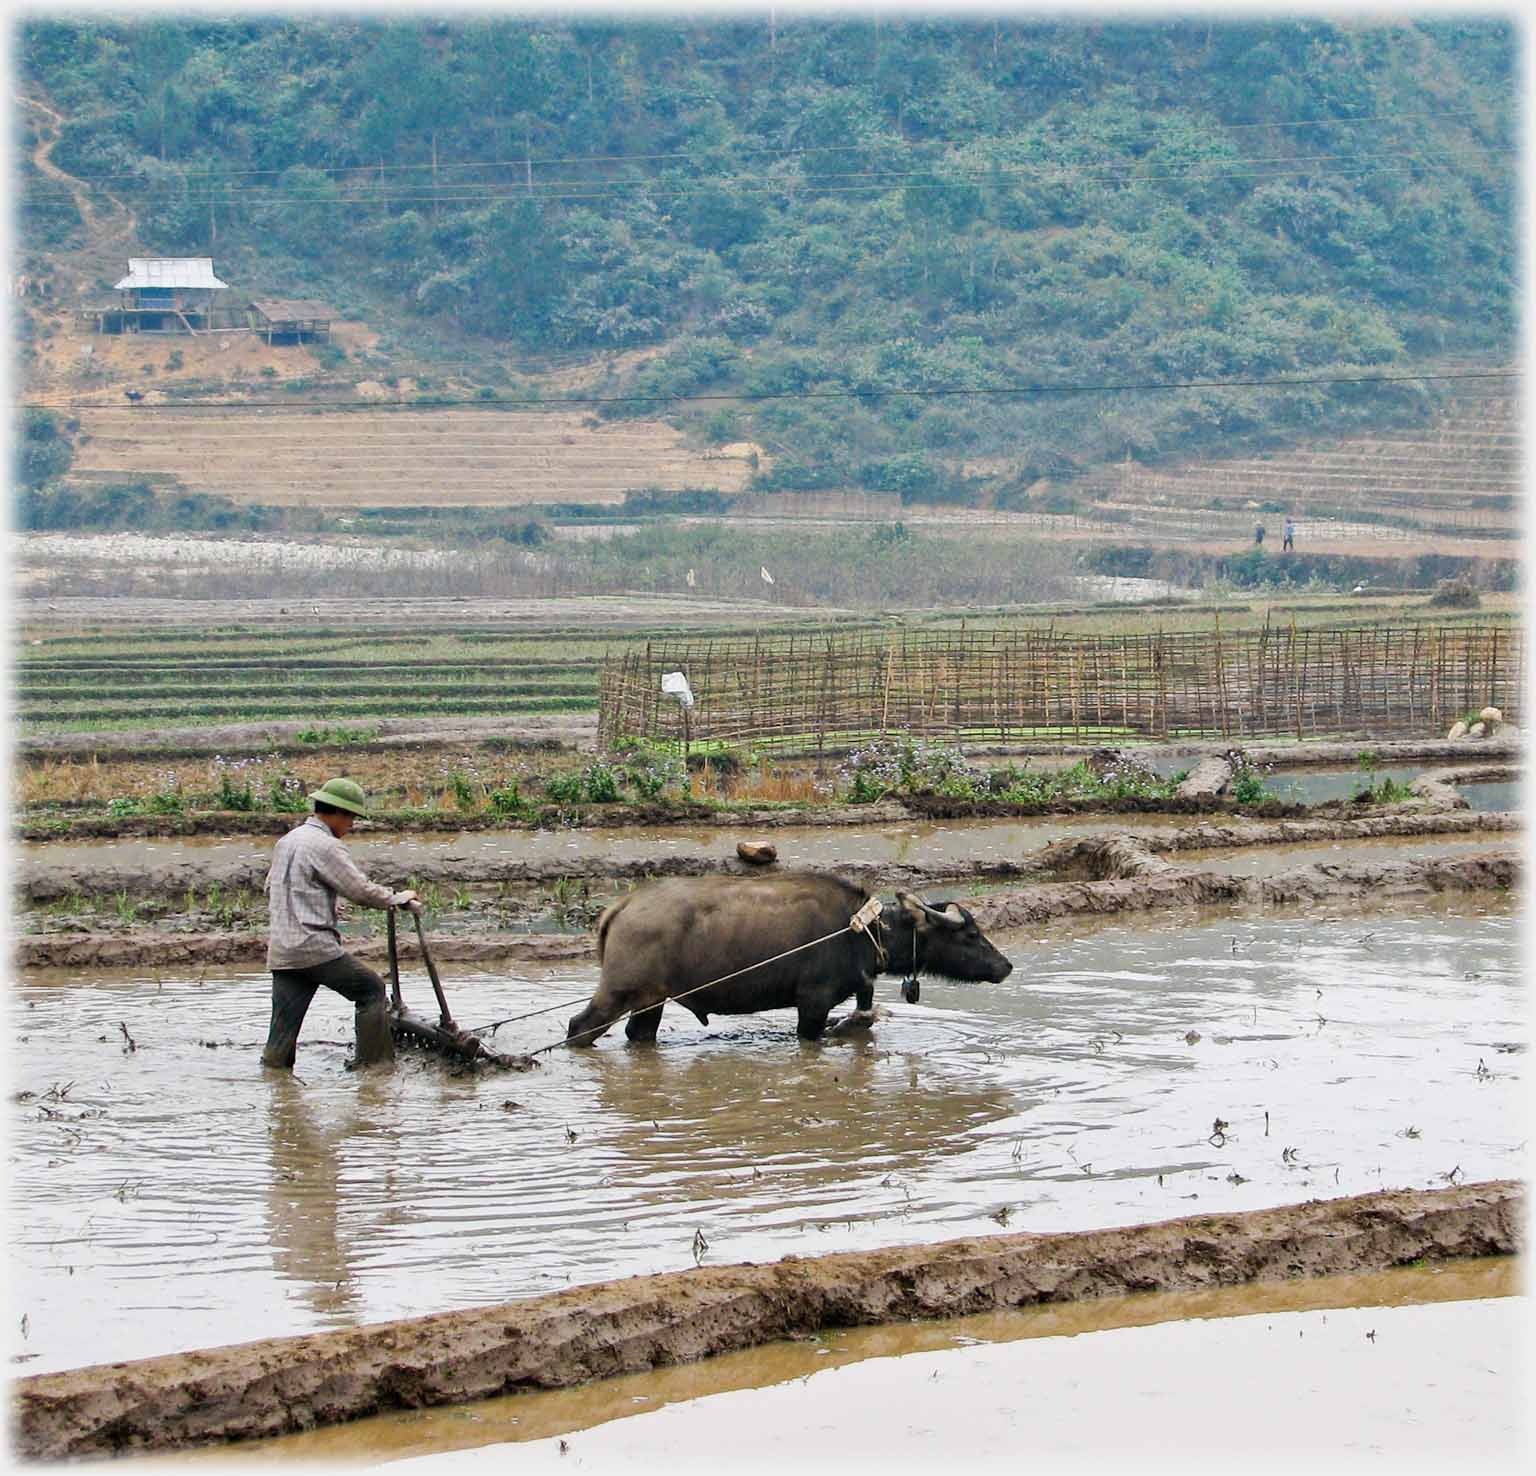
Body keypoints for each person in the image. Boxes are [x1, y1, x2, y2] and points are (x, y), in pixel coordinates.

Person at [261, 777, 420, 1071]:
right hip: (313, 946)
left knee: (282, 1031)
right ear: (337, 813)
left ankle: (276, 1080)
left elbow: (270, 886)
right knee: (371, 989)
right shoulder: (325, 846)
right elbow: (358, 889)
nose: (352, 827)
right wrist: (397, 898)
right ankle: (376, 1071)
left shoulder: (288, 840)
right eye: (351, 819)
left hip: (283, 948)